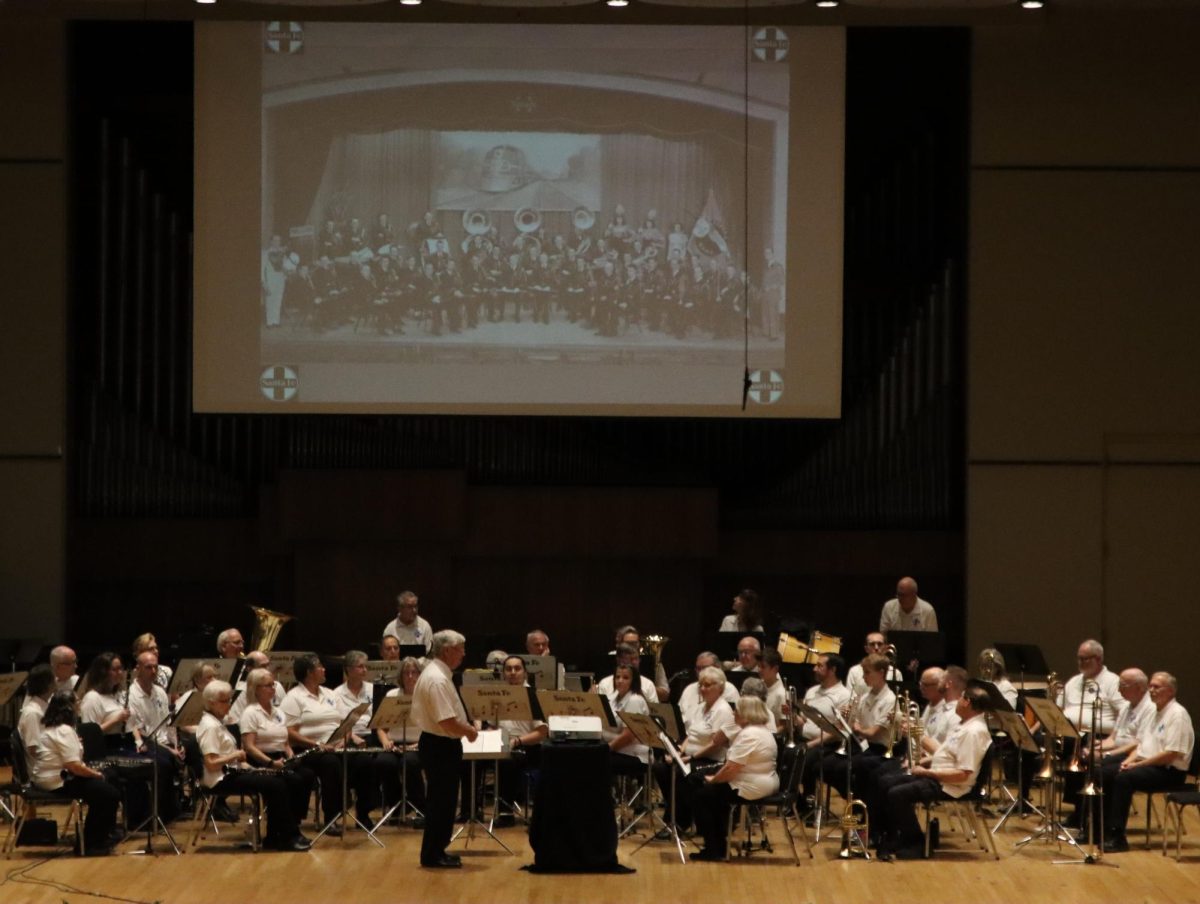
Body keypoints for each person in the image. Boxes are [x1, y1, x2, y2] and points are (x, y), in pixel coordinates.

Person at [874, 686, 993, 859]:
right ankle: (894, 836)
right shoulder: (965, 725)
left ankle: (916, 843)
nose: (957, 703)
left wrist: (927, 773)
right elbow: (947, 754)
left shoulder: (973, 732)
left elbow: (963, 774)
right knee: (886, 781)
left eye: (960, 699)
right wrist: (923, 760)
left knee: (897, 793)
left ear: (967, 702)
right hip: (941, 777)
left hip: (951, 786)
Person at [196, 681, 311, 851]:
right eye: (225, 701)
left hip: (233, 771)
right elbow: (211, 764)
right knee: (276, 785)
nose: (229, 705)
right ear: (211, 702)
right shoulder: (210, 726)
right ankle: (288, 835)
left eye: (229, 700)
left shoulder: (218, 722)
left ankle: (275, 836)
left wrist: (253, 768)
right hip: (220, 778)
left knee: (283, 778)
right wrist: (235, 755)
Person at [1101, 672, 1194, 852]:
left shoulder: (1177, 714)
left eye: (1156, 687)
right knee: (1104, 772)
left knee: (1123, 779)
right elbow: (1141, 744)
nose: (1151, 690)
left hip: (1169, 773)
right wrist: (1128, 761)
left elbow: (1170, 754)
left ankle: (1117, 836)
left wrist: (1136, 765)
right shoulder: (1154, 712)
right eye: (1150, 686)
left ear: (1170, 691)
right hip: (1149, 765)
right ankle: (1100, 829)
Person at [281, 653, 366, 835]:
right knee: (331, 763)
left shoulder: (329, 693)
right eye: (320, 667)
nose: (324, 669)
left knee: (364, 761)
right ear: (309, 673)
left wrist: (343, 740)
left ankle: (363, 812)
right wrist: (317, 744)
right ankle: (332, 816)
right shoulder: (294, 697)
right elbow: (289, 732)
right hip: (308, 749)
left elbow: (345, 723)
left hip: (336, 746)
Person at [413, 629, 477, 869]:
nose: (464, 653)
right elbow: (446, 721)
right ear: (447, 650)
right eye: (461, 648)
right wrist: (468, 731)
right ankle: (432, 854)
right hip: (440, 745)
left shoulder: (439, 673)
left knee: (445, 801)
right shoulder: (437, 679)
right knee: (441, 802)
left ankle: (437, 850)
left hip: (440, 744)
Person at [32, 693, 122, 855]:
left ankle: (101, 837)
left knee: (108, 784)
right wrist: (96, 774)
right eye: (77, 702)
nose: (79, 705)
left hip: (56, 777)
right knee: (108, 793)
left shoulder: (56, 728)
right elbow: (73, 765)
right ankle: (90, 843)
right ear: (69, 708)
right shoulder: (64, 730)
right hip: (57, 780)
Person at [690, 695, 779, 861]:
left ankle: (714, 848)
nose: (733, 713)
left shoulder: (750, 734)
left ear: (747, 714)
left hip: (752, 785)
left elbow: (731, 769)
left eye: (736, 710)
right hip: (760, 780)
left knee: (702, 795)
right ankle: (719, 843)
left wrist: (714, 779)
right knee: (709, 790)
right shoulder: (760, 730)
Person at [658, 665, 737, 832]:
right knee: (661, 768)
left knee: (682, 773)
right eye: (701, 685)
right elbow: (689, 735)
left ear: (720, 687)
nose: (703, 688)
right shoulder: (700, 708)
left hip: (710, 759)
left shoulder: (722, 710)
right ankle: (676, 814)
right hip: (691, 755)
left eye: (708, 685)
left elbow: (715, 743)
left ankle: (682, 821)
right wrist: (679, 753)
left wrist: (689, 758)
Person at [127, 650, 184, 822]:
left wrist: (177, 745)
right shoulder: (131, 695)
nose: (153, 671)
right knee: (165, 762)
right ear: (138, 669)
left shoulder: (160, 691)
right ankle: (156, 813)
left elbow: (168, 723)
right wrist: (168, 750)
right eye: (148, 667)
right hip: (146, 740)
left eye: (155, 667)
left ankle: (176, 806)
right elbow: (140, 731)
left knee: (193, 751)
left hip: (164, 740)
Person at [494, 654, 549, 825]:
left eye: (517, 669)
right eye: (508, 669)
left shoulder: (532, 696)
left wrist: (517, 741)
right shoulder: (497, 695)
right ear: (503, 673)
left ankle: (505, 814)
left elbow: (542, 732)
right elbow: (489, 722)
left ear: (525, 673)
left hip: (528, 748)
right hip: (501, 744)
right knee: (469, 762)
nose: (512, 672)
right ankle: (470, 811)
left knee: (508, 762)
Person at [375, 657, 426, 824]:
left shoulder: (426, 696)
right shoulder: (392, 695)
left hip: (419, 745)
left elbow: (432, 728)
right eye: (406, 673)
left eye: (414, 673)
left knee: (410, 762)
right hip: (394, 744)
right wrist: (385, 742)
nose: (410, 676)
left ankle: (420, 808)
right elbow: (380, 726)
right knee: (383, 762)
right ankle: (397, 806)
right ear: (401, 676)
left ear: (420, 675)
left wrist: (416, 745)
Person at [795, 653, 851, 804]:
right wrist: (792, 716)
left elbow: (839, 730)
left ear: (832, 670)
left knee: (805, 759)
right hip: (805, 739)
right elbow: (804, 721)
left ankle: (808, 802)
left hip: (829, 744)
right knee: (785, 754)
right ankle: (797, 800)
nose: (814, 669)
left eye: (820, 666)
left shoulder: (844, 695)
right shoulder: (812, 691)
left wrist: (812, 743)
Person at [1055, 639, 1123, 736]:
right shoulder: (1073, 681)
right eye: (1079, 659)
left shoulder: (1113, 681)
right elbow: (1058, 708)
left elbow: (1124, 712)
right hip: (1068, 732)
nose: (1080, 662)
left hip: (1096, 735)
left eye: (1084, 659)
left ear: (1098, 659)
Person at [79, 652, 131, 739]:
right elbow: (89, 734)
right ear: (103, 673)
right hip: (106, 746)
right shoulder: (92, 698)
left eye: (121, 668)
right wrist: (116, 719)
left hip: (124, 743)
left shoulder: (119, 694)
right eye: (115, 669)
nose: (120, 672)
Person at [18, 663, 55, 774]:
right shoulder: (32, 713)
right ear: (48, 684)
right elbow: (34, 749)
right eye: (54, 679)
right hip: (42, 772)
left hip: (50, 765)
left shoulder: (45, 707)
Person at [844, 633, 900, 697]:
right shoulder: (854, 671)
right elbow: (849, 697)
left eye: (880, 644)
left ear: (885, 648)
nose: (876, 648)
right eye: (872, 644)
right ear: (866, 649)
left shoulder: (896, 673)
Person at [757, 649, 788, 733]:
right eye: (758, 666)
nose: (759, 670)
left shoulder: (782, 694)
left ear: (775, 669)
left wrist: (766, 736)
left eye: (763, 667)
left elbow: (784, 726)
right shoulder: (758, 686)